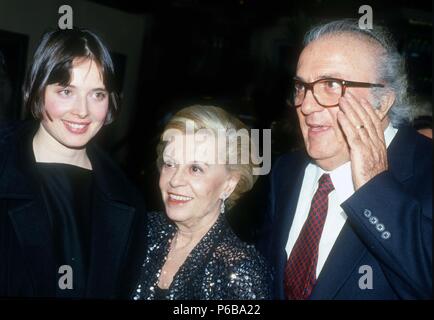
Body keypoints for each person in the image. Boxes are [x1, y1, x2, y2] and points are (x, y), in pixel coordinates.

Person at [257, 19, 432, 300]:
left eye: (330, 84)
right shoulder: (286, 170)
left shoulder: (426, 171)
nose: (306, 105)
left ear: (382, 101)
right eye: (301, 87)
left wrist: (375, 189)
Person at [0, 28, 147, 298]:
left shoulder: (128, 199)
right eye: (66, 91)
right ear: (36, 90)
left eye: (97, 94)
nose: (82, 110)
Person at [133, 105, 271, 300]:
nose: (175, 180)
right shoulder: (141, 231)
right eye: (170, 164)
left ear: (229, 184)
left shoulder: (240, 272)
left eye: (195, 169)